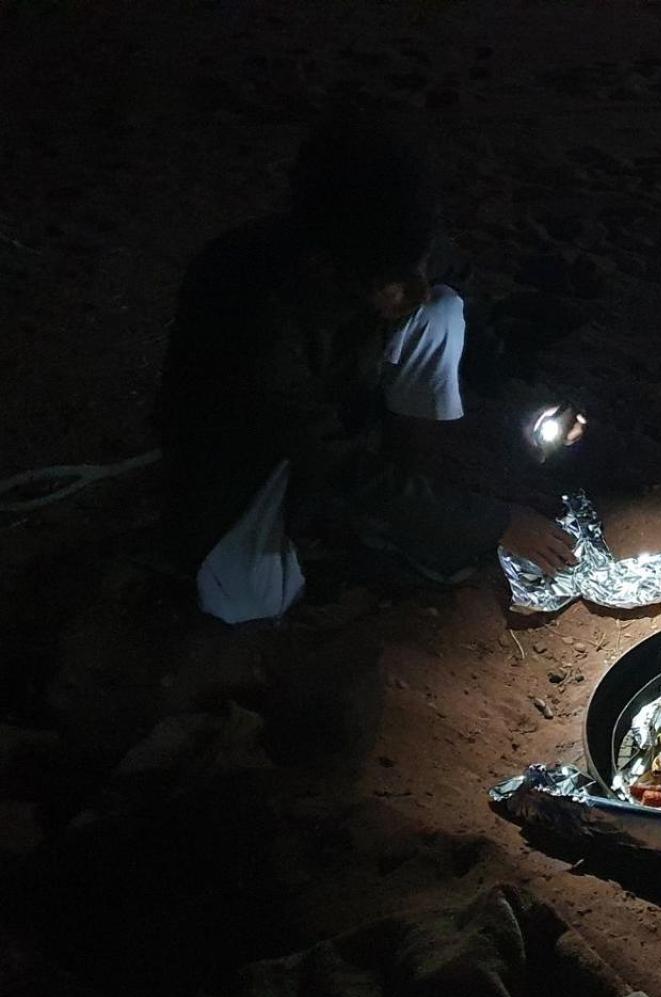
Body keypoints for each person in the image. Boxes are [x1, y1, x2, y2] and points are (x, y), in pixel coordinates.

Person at [156, 118, 575, 623]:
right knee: (246, 600)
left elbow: (477, 333)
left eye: (413, 266)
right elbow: (330, 462)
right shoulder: (255, 306)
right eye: (387, 279)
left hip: (346, 402)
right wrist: (495, 523)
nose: (409, 290)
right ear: (330, 259)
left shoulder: (402, 235)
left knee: (442, 312)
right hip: (247, 452)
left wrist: (534, 398)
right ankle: (343, 525)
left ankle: (408, 513)